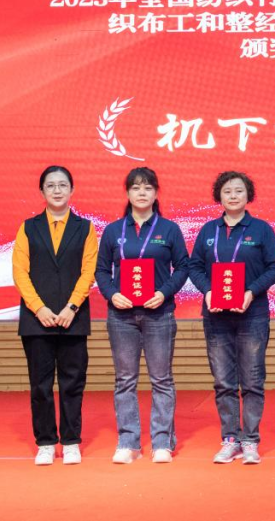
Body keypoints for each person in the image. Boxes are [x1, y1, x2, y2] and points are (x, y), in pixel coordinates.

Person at [95, 167, 190, 464]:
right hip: (121, 316)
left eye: (148, 188)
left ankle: (162, 442)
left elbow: (183, 267)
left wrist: (164, 292)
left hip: (159, 314)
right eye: (136, 188)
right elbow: (101, 270)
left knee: (161, 379)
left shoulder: (169, 229)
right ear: (127, 193)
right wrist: (112, 294)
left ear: (156, 193)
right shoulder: (113, 231)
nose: (141, 193)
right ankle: (128, 442)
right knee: (125, 379)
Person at [189, 171, 275, 465]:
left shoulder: (261, 230)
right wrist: (207, 291)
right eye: (227, 191)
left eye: (239, 191)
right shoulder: (208, 231)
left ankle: (251, 440)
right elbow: (194, 266)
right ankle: (230, 439)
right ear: (219, 195)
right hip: (216, 316)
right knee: (223, 381)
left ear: (248, 195)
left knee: (252, 380)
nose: (233, 196)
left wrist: (251, 292)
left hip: (252, 314)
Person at [12, 165, 99, 466]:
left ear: (72, 190)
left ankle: (71, 441)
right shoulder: (28, 227)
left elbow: (89, 271)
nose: (57, 190)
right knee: (41, 385)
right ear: (42, 191)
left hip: (73, 318)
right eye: (50, 185)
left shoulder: (85, 228)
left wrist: (71, 307)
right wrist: (39, 308)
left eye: (63, 185)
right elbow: (20, 272)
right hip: (37, 320)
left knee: (73, 383)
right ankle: (46, 442)